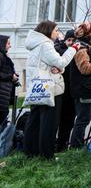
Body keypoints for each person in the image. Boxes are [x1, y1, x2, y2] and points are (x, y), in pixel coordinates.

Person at [23, 20, 77, 159]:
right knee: (49, 123)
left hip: (37, 88)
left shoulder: (35, 44)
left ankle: (31, 152)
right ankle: (47, 155)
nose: (58, 33)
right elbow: (61, 62)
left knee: (34, 121)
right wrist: (73, 49)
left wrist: (59, 67)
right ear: (48, 31)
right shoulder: (46, 45)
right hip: (49, 89)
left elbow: (53, 64)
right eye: (56, 30)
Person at [68, 22, 91, 148]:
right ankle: (76, 146)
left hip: (86, 88)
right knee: (83, 120)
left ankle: (77, 144)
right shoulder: (82, 49)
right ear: (89, 34)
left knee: (84, 119)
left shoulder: (86, 47)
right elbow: (85, 68)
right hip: (83, 89)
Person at [54, 29, 77, 152]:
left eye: (74, 41)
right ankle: (54, 142)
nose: (71, 43)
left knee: (68, 120)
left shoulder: (76, 51)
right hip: (60, 91)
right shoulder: (58, 50)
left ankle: (63, 143)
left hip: (71, 92)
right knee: (57, 119)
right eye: (69, 40)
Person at [0, 34, 18, 127]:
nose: (10, 46)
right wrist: (11, 77)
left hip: (4, 95)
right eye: (8, 43)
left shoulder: (4, 55)